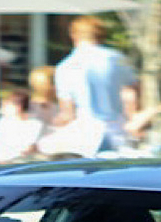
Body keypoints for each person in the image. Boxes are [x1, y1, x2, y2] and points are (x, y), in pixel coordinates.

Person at [52, 15, 137, 155]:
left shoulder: (66, 66)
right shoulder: (116, 58)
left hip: (87, 132)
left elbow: (67, 113)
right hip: (118, 128)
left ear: (74, 35)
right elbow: (131, 94)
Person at [0, 86, 47, 162]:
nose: (3, 106)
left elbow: (29, 151)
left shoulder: (34, 125)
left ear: (18, 107)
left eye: (6, 103)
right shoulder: (4, 122)